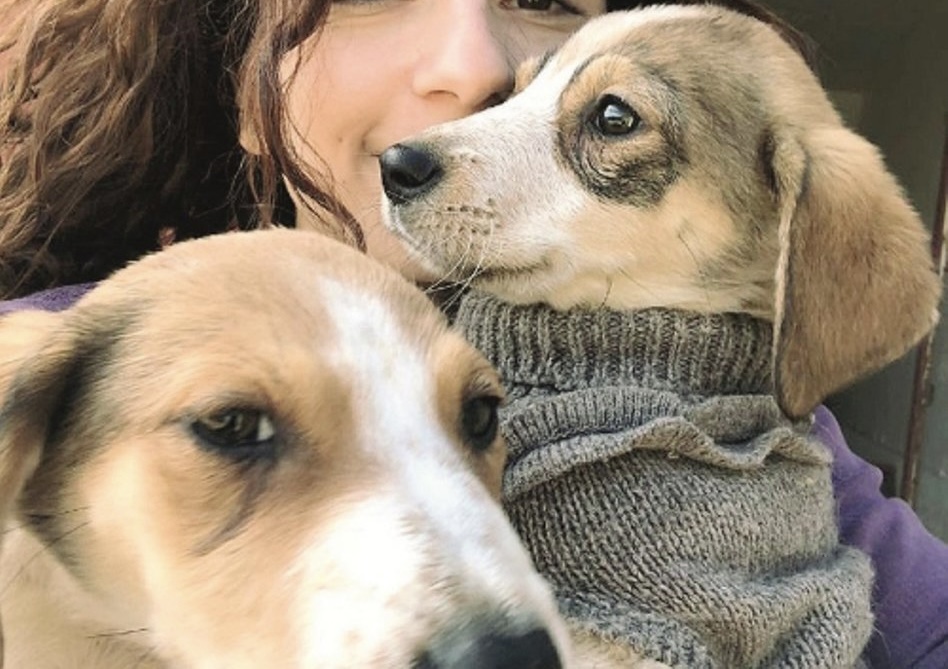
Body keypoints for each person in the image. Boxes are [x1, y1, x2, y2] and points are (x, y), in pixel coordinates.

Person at [0, 0, 946, 666]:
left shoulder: (747, 406)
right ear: (247, 91)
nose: (476, 66)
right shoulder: (66, 358)